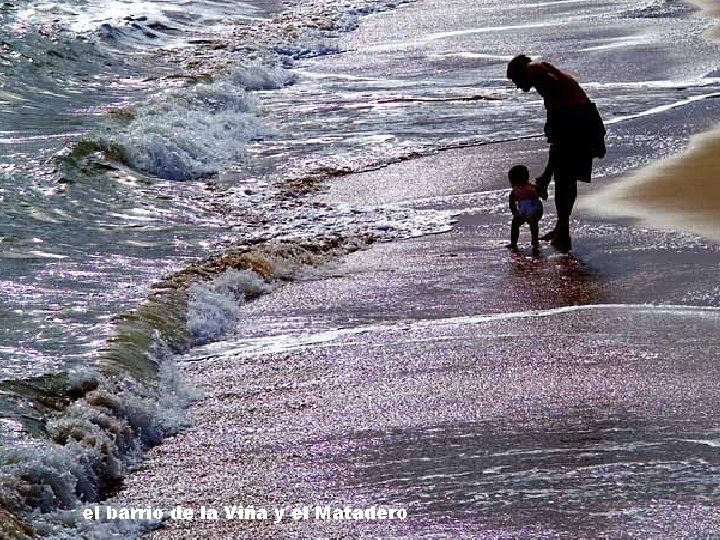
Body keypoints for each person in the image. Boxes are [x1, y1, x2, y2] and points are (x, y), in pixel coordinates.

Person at [506, 54, 606, 252]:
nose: (518, 86)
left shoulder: (533, 70)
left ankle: (563, 232)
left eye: (516, 81)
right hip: (584, 120)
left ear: (520, 72)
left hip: (576, 121)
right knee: (566, 178)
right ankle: (562, 228)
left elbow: (554, 91)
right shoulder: (545, 73)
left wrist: (545, 176)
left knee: (563, 178)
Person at [507, 164, 543, 252]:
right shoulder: (532, 187)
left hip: (525, 209)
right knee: (533, 224)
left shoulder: (515, 190)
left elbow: (511, 203)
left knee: (515, 224)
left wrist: (515, 213)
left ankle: (514, 243)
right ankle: (534, 241)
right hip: (535, 207)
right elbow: (543, 194)